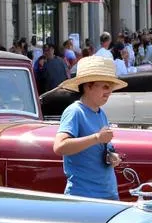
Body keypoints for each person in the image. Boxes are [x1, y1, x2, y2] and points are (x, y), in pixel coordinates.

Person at [52, 57, 126, 199]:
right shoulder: (74, 111)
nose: (109, 91)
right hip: (84, 197)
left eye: (110, 87)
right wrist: (96, 138)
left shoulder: (101, 113)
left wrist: (112, 156)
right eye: (105, 86)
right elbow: (59, 147)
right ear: (88, 86)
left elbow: (102, 148)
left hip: (107, 194)